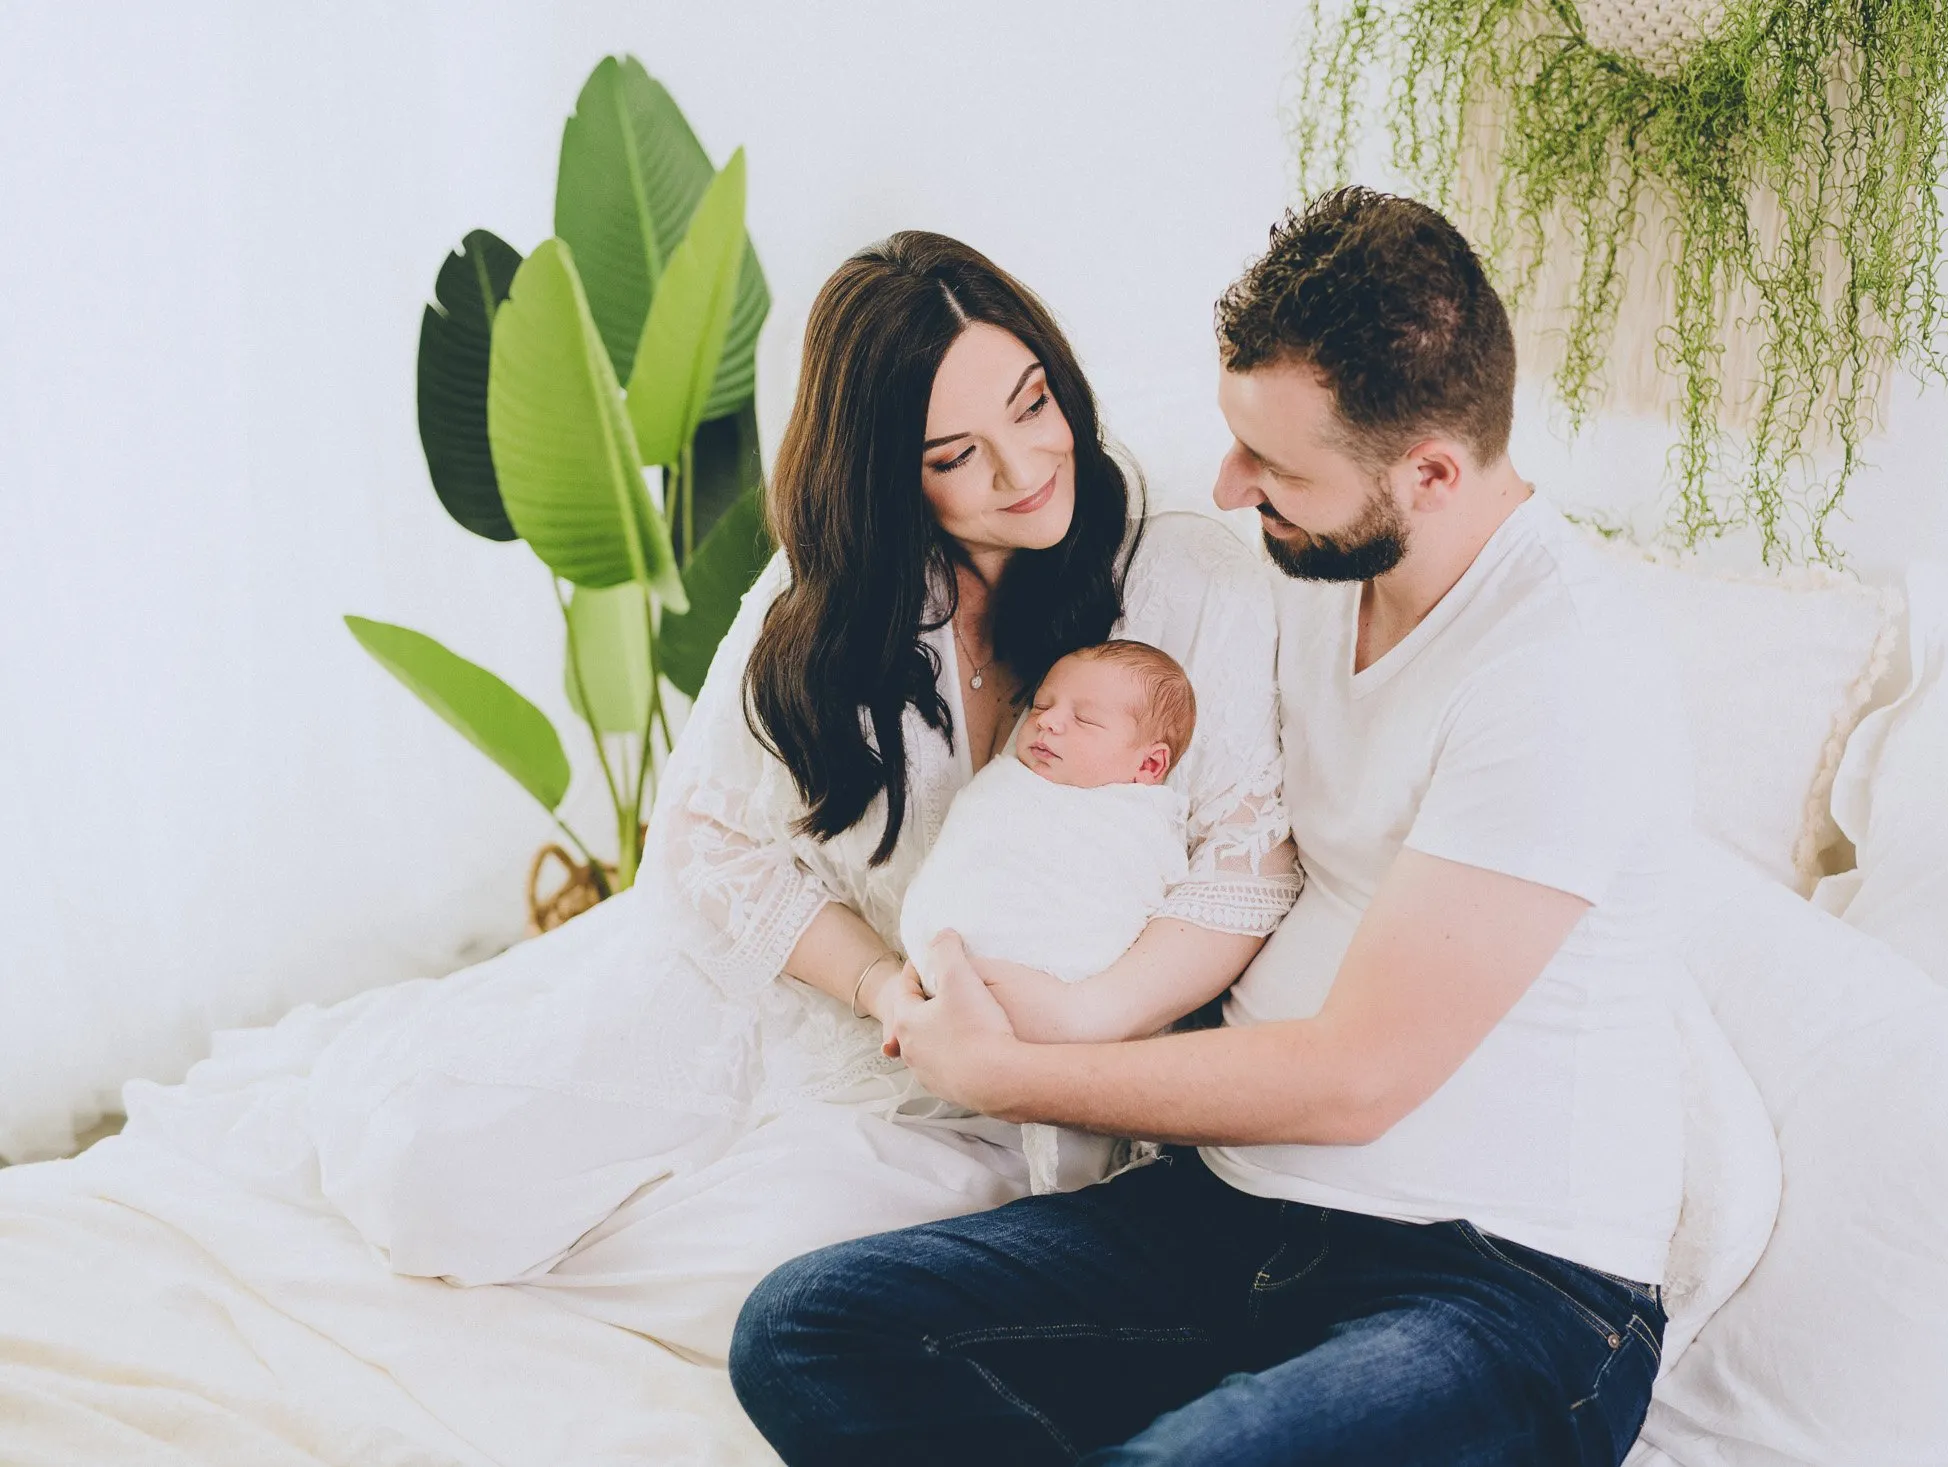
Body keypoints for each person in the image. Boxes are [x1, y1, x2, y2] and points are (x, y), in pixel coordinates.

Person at [731, 187, 1693, 1466]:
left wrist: (1004, 1071)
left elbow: (1356, 1080)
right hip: (1232, 1219)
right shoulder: (1306, 575)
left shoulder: (1561, 668)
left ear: (1430, 473)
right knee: (804, 1331)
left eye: (1276, 469)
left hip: (1495, 1286)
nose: (1233, 488)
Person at [298, 232, 1301, 1364]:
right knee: (434, 1180)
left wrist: (1078, 1025)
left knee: (756, 1282)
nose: (1024, 469)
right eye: (956, 454)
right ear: (889, 475)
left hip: (999, 1077)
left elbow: (1248, 867)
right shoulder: (836, 589)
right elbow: (709, 836)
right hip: (809, 981)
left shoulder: (1184, 576)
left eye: (1033, 405)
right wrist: (877, 986)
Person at [898, 638, 1200, 1191]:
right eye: (1042, 705)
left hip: (1054, 1006)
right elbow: (973, 847)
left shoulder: (1136, 822)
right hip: (935, 994)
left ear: (1149, 764)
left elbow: (1133, 893)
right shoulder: (1009, 784)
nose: (1048, 722)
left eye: (1084, 720)